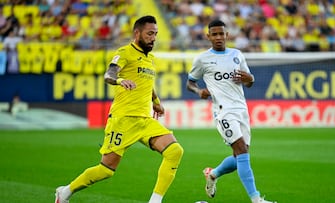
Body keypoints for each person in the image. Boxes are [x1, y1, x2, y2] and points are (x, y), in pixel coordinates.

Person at [55, 15, 184, 203]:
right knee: (106, 170)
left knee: (175, 151)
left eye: (155, 34)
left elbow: (147, 83)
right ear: (137, 33)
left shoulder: (151, 59)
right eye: (149, 33)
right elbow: (109, 74)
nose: (153, 38)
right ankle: (65, 192)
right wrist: (120, 80)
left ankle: (155, 201)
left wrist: (156, 101)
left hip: (144, 120)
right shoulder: (124, 52)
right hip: (122, 120)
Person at [186, 19, 276, 203]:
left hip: (241, 109)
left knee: (239, 158)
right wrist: (198, 91)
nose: (218, 37)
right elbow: (190, 82)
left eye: (222, 34)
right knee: (242, 151)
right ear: (208, 36)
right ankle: (256, 199)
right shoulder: (202, 59)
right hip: (223, 111)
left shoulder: (237, 55)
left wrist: (249, 77)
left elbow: (249, 81)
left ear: (227, 35)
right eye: (215, 34)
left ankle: (213, 174)